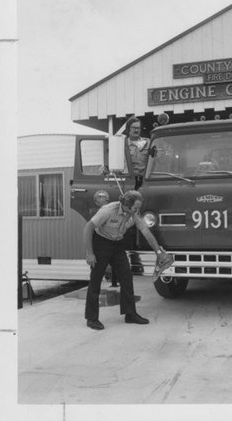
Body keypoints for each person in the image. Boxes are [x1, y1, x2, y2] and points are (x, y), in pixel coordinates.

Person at [84, 190, 173, 330]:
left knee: (126, 277)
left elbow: (145, 230)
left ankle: (130, 314)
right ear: (127, 205)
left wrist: (158, 252)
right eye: (136, 208)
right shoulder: (107, 211)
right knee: (95, 280)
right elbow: (88, 228)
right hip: (101, 243)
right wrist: (90, 253)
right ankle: (92, 318)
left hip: (117, 244)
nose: (138, 210)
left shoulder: (133, 213)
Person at [125, 116, 151, 190]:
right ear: (128, 128)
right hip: (129, 182)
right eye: (134, 127)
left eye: (138, 128)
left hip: (145, 182)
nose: (136, 130)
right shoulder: (123, 144)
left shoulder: (148, 143)